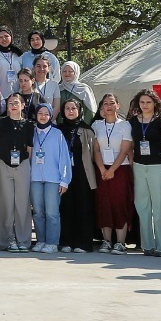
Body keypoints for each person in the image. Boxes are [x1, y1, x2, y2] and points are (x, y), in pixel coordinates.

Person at [128, 90, 161, 257]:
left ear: (155, 103)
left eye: (148, 102)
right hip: (139, 166)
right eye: (142, 102)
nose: (145, 105)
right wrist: (132, 165)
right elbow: (130, 146)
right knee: (142, 205)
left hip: (158, 166)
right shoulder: (132, 121)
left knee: (160, 207)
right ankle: (147, 245)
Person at [90, 94, 134, 254]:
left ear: (118, 105)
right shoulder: (96, 125)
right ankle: (106, 240)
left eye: (112, 103)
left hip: (120, 169)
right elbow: (95, 149)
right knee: (104, 204)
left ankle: (120, 242)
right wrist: (103, 169)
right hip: (102, 170)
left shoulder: (125, 125)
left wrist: (112, 170)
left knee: (120, 204)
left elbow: (125, 150)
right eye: (105, 103)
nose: (109, 106)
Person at [56, 99, 98, 253]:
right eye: (67, 108)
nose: (70, 111)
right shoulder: (58, 130)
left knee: (83, 206)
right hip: (63, 174)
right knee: (65, 206)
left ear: (79, 111)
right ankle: (66, 242)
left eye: (73, 108)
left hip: (82, 173)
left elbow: (93, 153)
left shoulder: (87, 130)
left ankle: (83, 243)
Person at [28, 102, 72, 253]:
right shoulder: (32, 132)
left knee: (52, 212)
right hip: (35, 178)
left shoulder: (57, 134)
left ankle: (52, 243)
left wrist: (64, 180)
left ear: (51, 116)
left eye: (46, 114)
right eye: (40, 113)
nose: (43, 116)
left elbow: (64, 158)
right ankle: (41, 241)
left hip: (53, 178)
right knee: (38, 212)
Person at [0, 93, 35, 252]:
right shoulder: (0, 122)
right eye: (10, 103)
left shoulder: (29, 124)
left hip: (22, 164)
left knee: (23, 203)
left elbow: (30, 148)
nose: (13, 105)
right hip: (4, 163)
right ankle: (7, 240)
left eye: (16, 103)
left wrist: (26, 163)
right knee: (5, 203)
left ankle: (23, 240)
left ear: (23, 105)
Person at [0, 26, 21, 101]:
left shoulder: (18, 53)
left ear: (11, 37)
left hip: (17, 95)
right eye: (0, 37)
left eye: (6, 36)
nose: (4, 39)